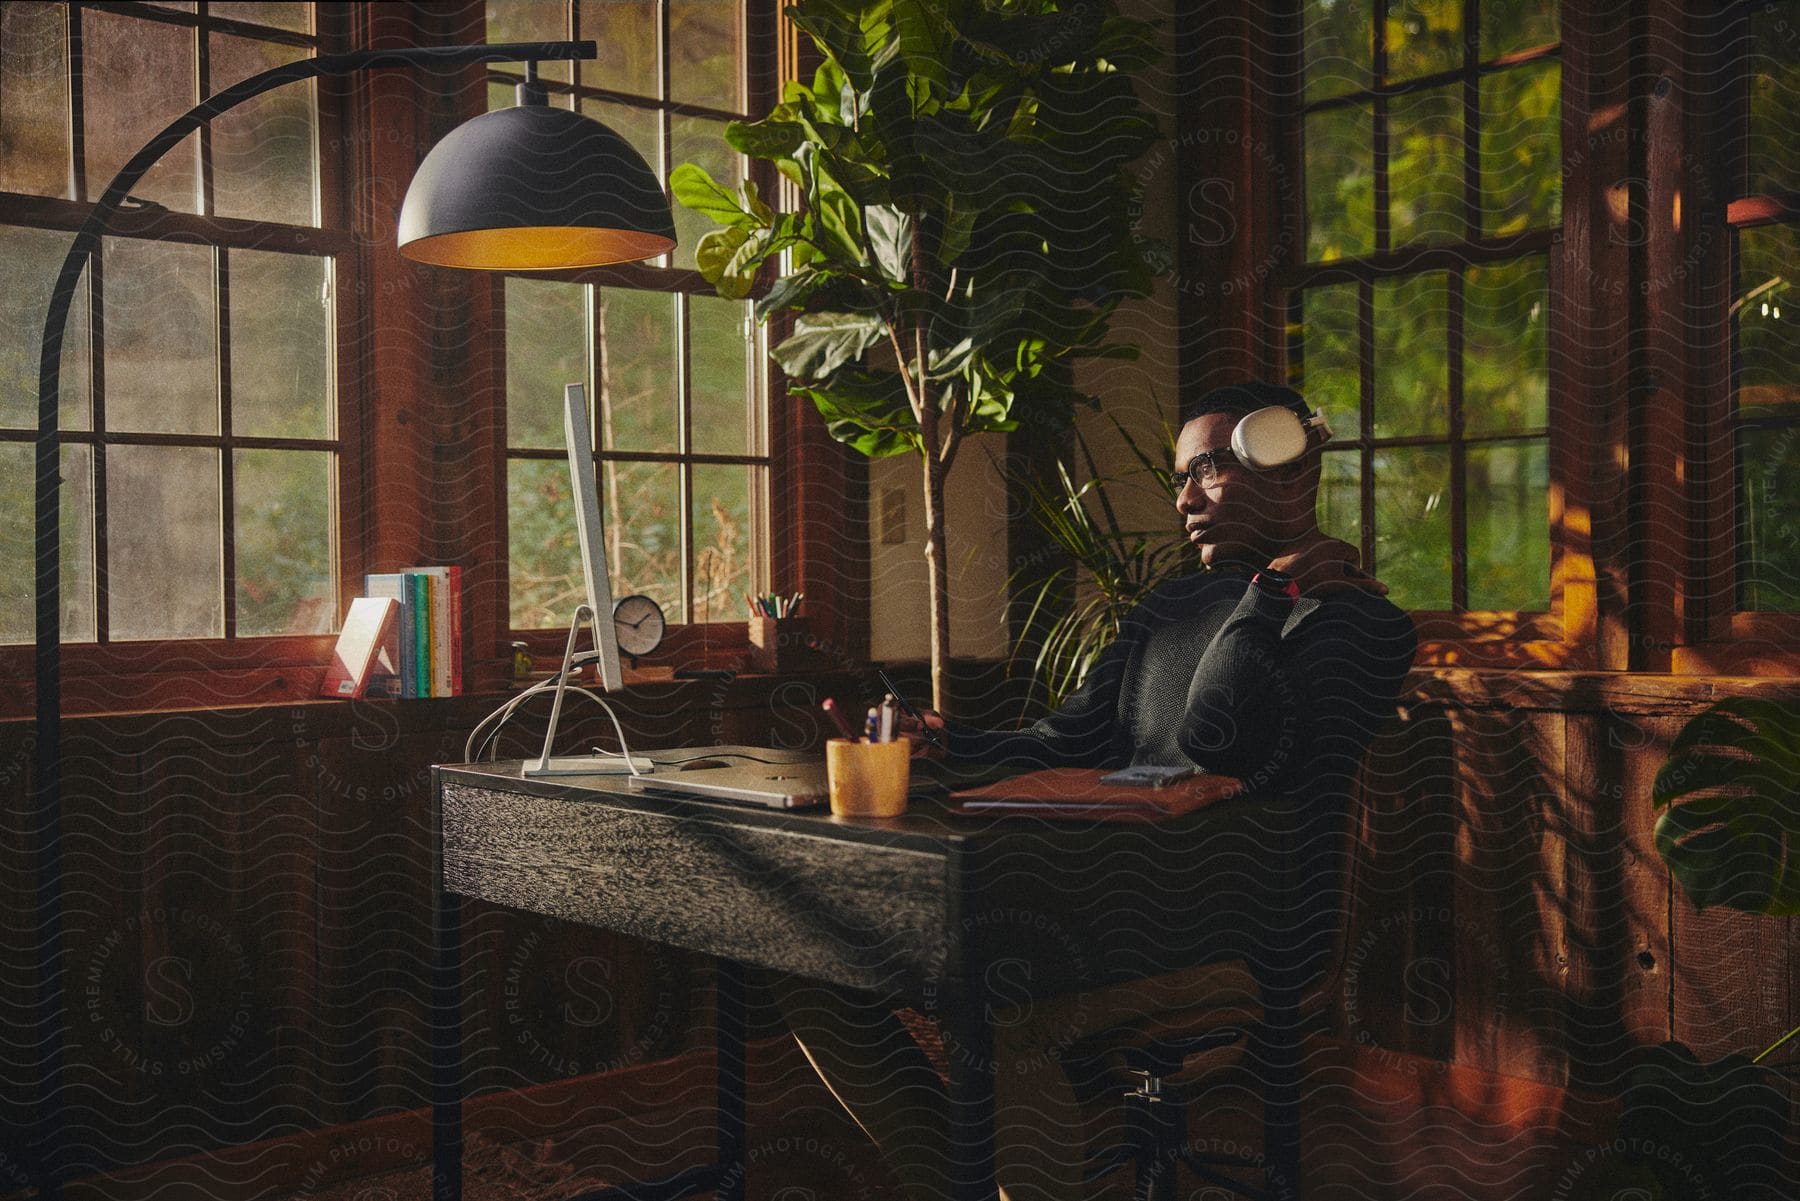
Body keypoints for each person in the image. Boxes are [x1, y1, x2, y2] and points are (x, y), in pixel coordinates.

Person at [777, 382, 1419, 1201]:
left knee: (998, 991)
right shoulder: (1168, 605)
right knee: (808, 961)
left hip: (1240, 926)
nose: (1184, 495)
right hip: (1107, 893)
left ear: (1290, 463)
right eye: (1180, 474)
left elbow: (1214, 738)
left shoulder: (1363, 625)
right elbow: (1064, 742)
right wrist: (946, 740)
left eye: (1211, 468)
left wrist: (1272, 595)